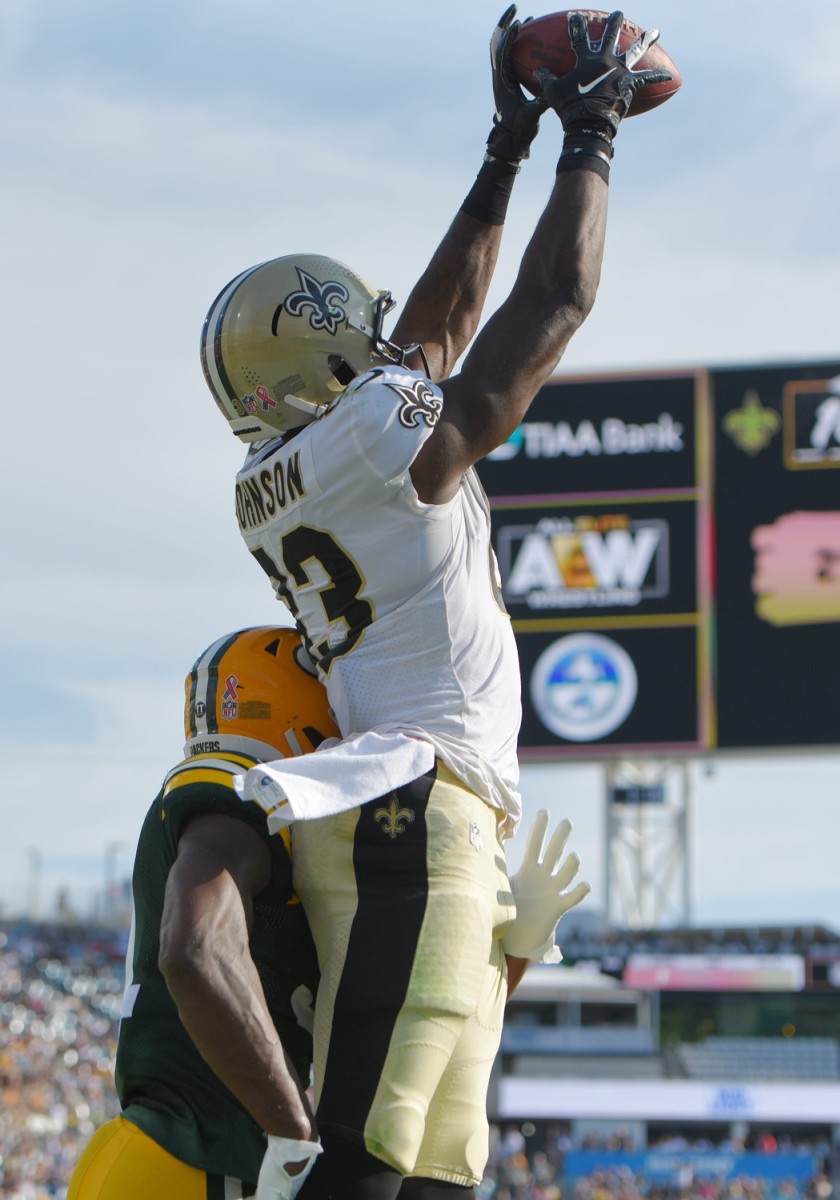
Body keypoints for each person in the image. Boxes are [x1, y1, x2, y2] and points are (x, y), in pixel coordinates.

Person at [201, 10, 662, 1197]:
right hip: (419, 811)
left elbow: (427, 339)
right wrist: (591, 134)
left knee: (444, 1166)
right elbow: (543, 313)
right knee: (374, 1149)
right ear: (324, 368)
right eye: (360, 339)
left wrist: (505, 149)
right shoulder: (368, 441)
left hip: (411, 809)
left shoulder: (280, 470)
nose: (389, 346)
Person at [67, 626, 340, 1200]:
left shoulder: (205, 814)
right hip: (196, 1163)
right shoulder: (239, 800)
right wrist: (293, 1134)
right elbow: (196, 950)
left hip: (156, 1157)